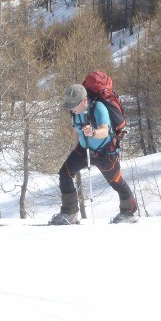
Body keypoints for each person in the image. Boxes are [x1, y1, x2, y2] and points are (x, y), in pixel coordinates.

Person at [51, 83, 138, 224]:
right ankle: (70, 213)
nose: (72, 108)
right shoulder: (75, 113)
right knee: (65, 173)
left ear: (84, 101)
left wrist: (93, 132)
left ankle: (129, 213)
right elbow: (76, 131)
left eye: (74, 105)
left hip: (105, 153)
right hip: (83, 150)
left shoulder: (99, 108)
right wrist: (75, 151)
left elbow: (105, 131)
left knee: (116, 181)